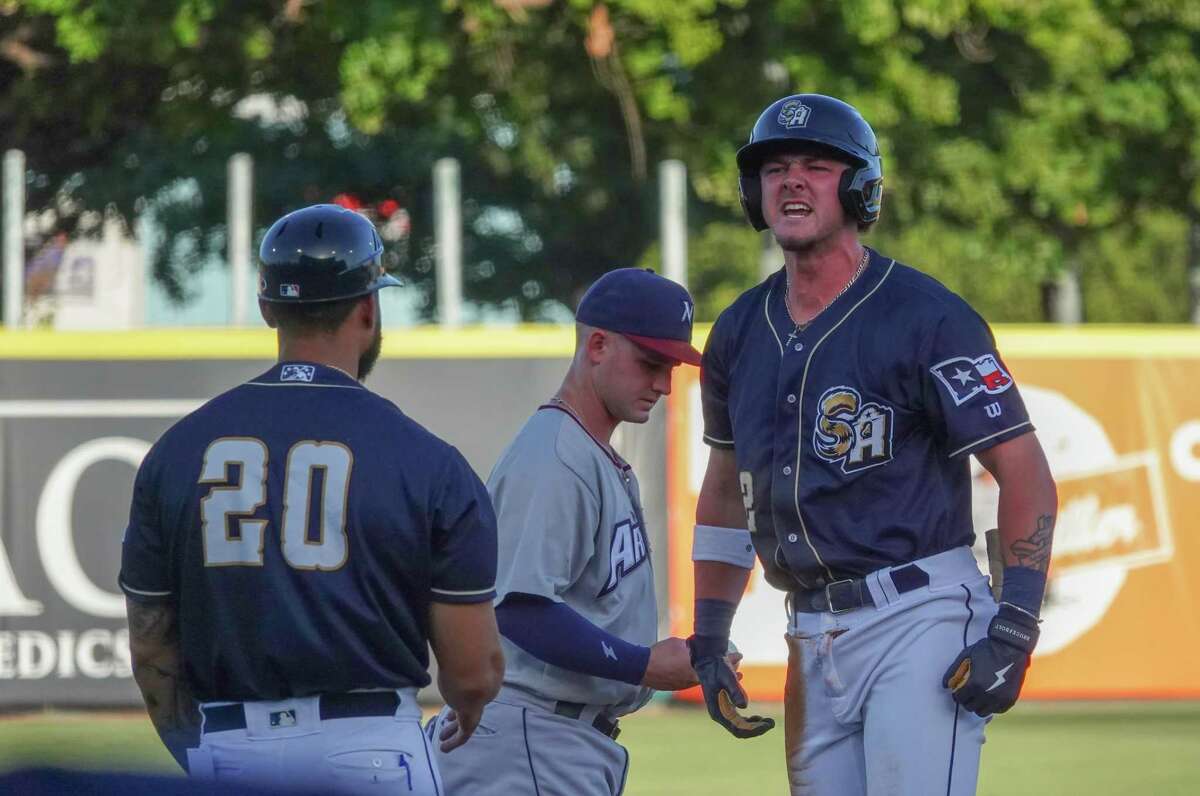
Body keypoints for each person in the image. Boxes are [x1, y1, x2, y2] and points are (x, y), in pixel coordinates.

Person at [687, 94, 1059, 796]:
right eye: (773, 168)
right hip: (810, 631)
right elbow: (723, 495)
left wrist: (1014, 626)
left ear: (861, 187)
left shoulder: (928, 316)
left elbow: (1024, 472)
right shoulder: (737, 330)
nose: (791, 180)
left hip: (919, 617)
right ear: (751, 191)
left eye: (818, 166)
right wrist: (710, 634)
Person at [119, 203, 504, 794]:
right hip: (369, 750)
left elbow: (152, 650)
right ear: (369, 307)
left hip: (228, 749)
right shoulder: (428, 460)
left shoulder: (175, 452)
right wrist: (469, 704)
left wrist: (206, 755)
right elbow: (473, 673)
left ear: (267, 307)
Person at [431, 268, 705, 795]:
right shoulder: (555, 455)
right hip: (530, 737)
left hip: (551, 738)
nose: (663, 384)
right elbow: (518, 607)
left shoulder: (588, 451)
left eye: (670, 367)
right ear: (597, 345)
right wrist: (645, 665)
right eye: (651, 363)